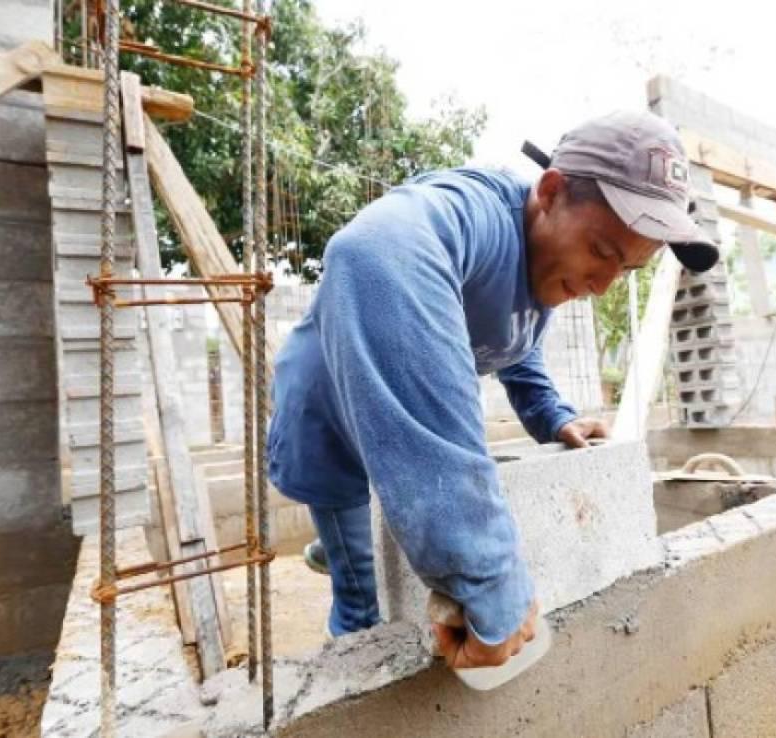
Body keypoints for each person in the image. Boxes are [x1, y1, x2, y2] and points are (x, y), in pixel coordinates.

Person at [266, 110, 718, 669]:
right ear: (550, 192)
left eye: (624, 271)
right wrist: (488, 574)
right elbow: (371, 250)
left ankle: (336, 551)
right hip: (330, 425)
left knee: (393, 543)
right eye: (602, 251)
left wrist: (551, 415)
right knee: (366, 604)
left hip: (393, 433)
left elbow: (515, 339)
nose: (602, 287)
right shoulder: (472, 215)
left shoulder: (546, 264)